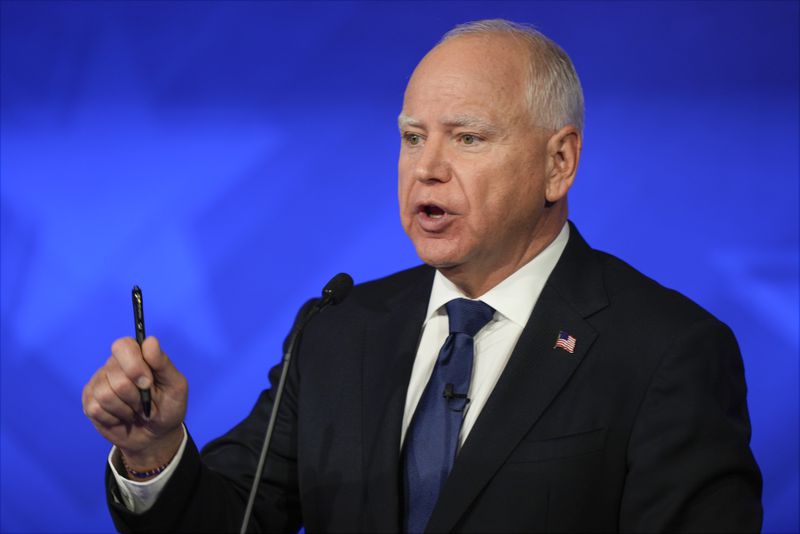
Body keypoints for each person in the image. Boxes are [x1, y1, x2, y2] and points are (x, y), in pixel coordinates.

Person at [82, 19, 763, 532]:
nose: (426, 168)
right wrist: (155, 452)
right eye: (413, 137)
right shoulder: (337, 333)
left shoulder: (667, 351)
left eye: (468, 138)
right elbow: (231, 519)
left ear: (559, 163)